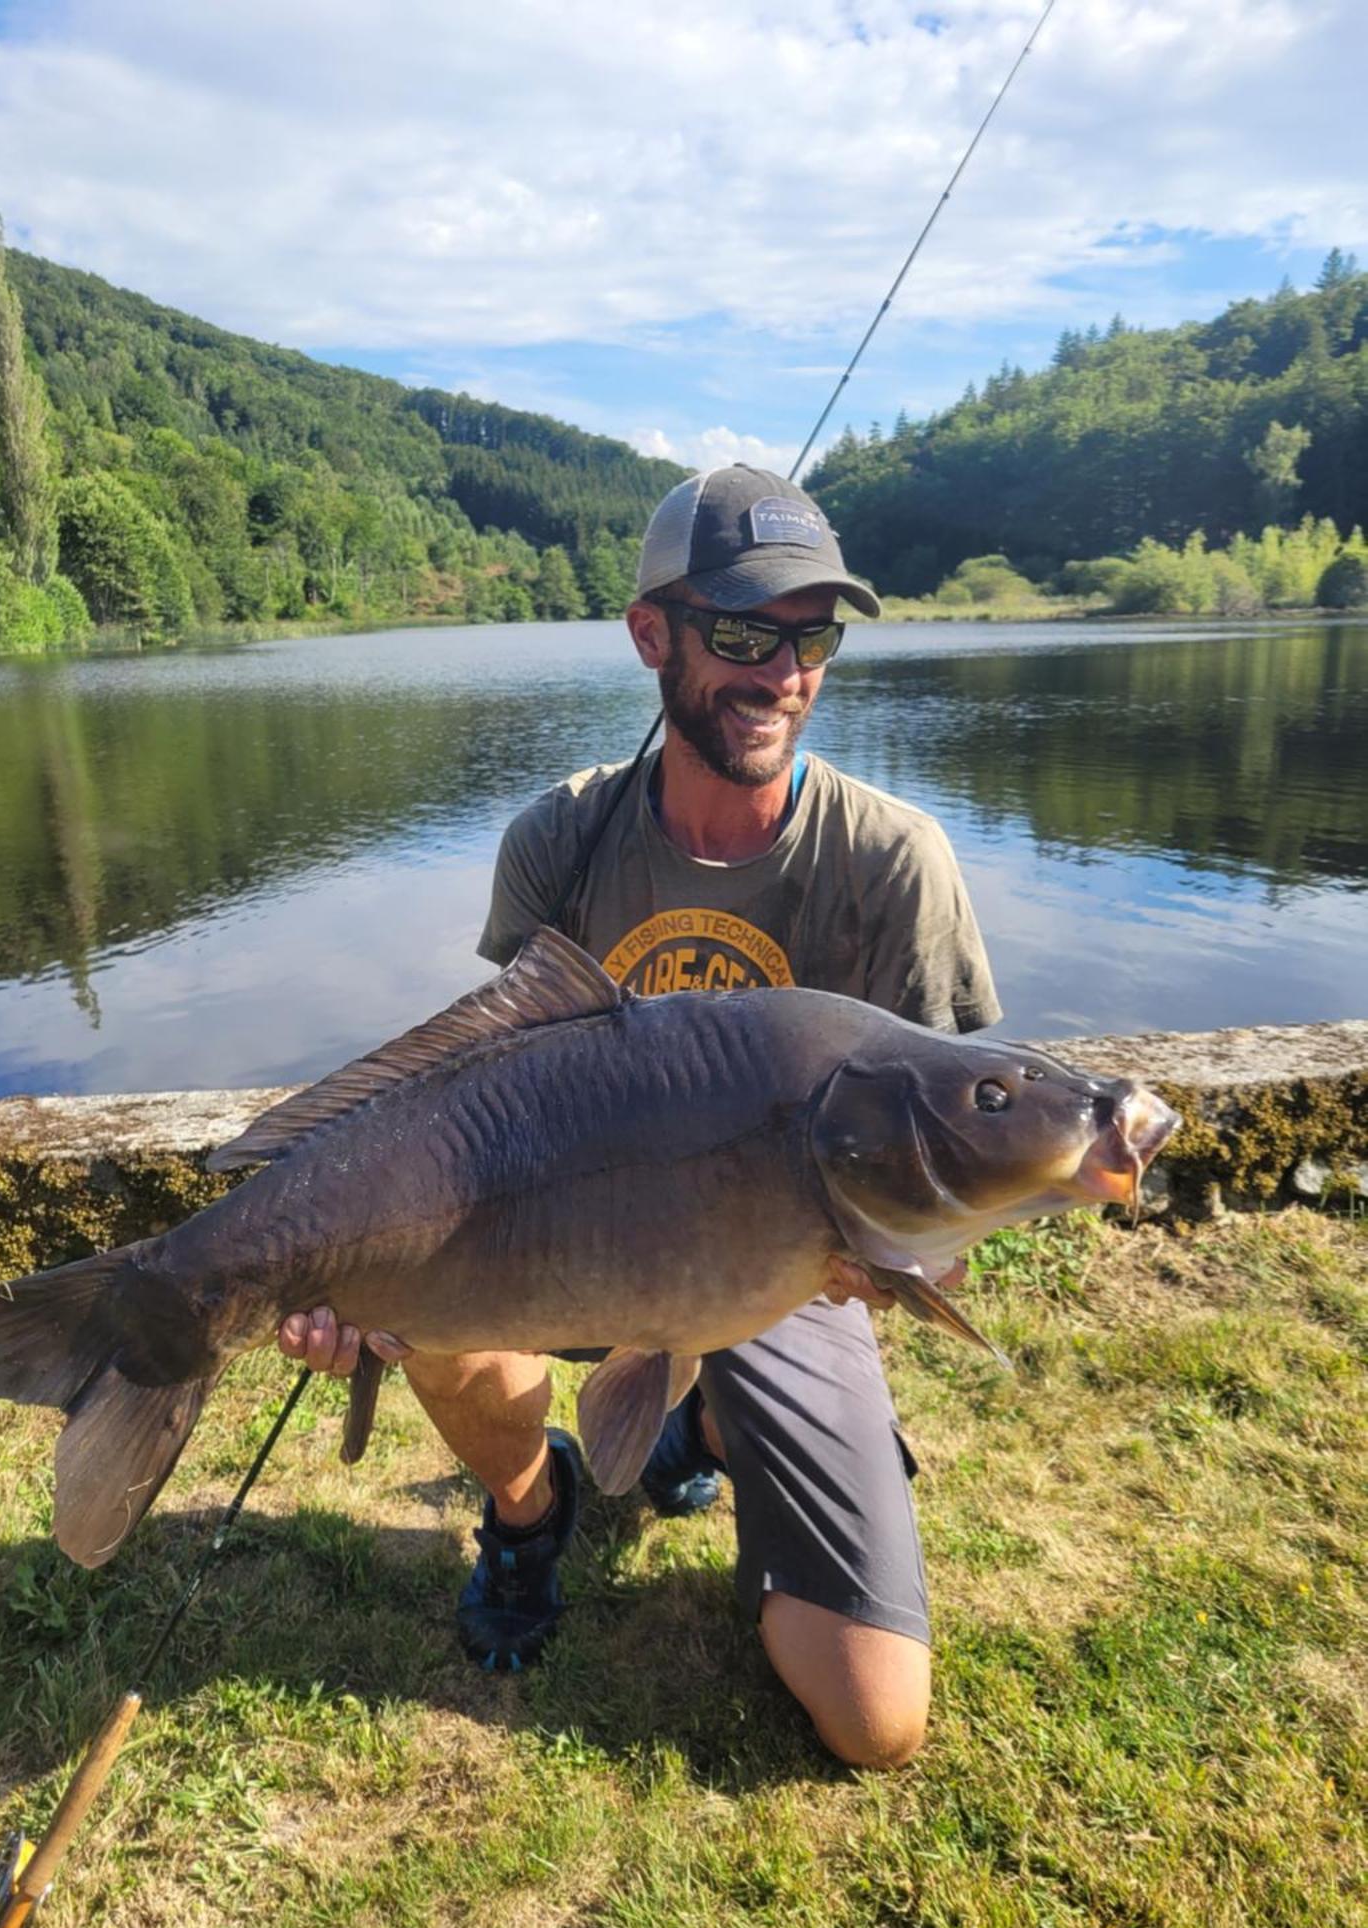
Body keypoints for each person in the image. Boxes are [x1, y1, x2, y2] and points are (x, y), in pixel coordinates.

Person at [278, 464, 1000, 1767]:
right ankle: (530, 1505)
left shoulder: (895, 865)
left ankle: (702, 1431)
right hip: (574, 1235)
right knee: (423, 1305)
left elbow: (950, 1161)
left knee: (878, 1722)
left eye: (812, 635)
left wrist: (907, 1257)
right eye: (741, 632)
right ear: (651, 636)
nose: (782, 673)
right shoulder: (558, 842)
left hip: (787, 1283)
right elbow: (474, 1102)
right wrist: (347, 1248)